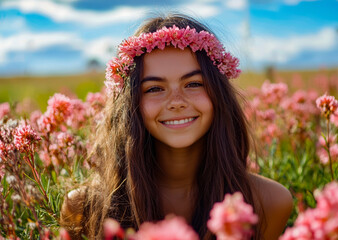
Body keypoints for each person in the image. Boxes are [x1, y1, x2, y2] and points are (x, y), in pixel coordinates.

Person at [60, 13, 293, 240]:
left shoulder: (270, 202)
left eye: (193, 83)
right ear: (131, 103)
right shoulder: (82, 208)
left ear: (218, 93)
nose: (176, 102)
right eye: (154, 88)